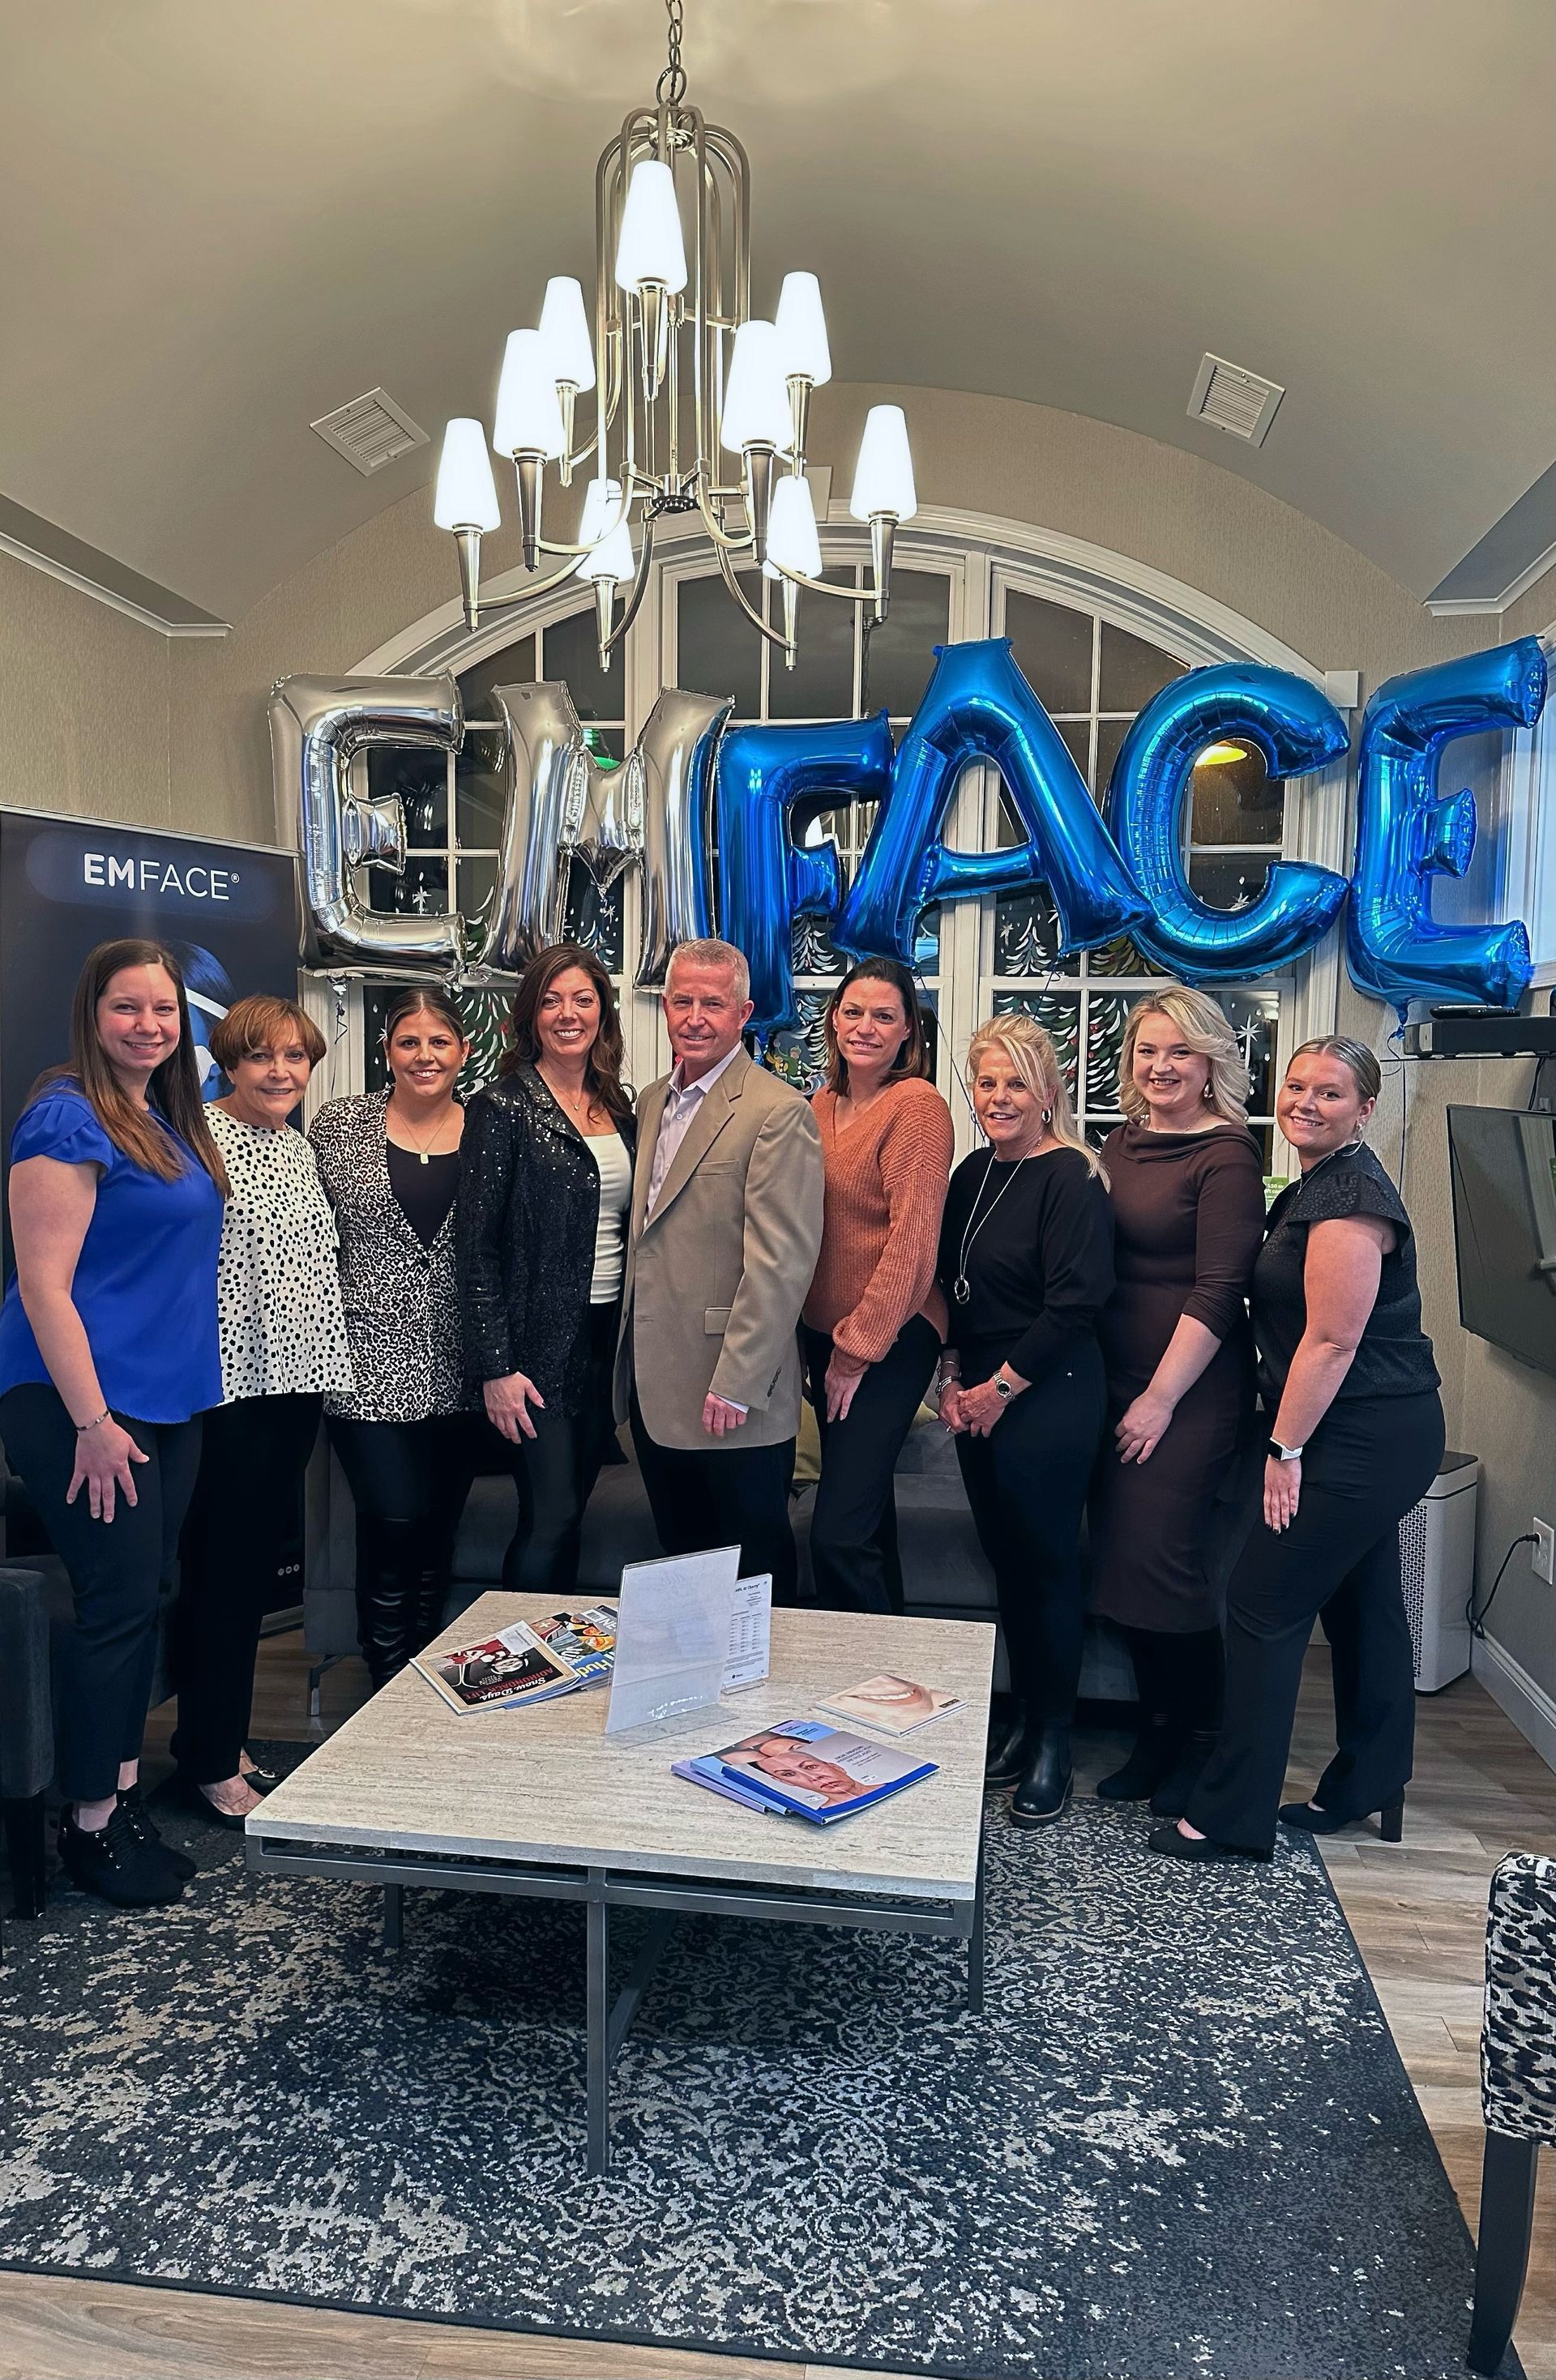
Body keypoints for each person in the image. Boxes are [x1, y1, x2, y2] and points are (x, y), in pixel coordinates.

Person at [1150, 1036, 1445, 1864]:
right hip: (1372, 1423)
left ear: (1365, 1109)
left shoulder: (1350, 1197)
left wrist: (1285, 1449)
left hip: (1358, 1430)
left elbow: (1331, 1341)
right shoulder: (1316, 1184)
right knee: (1364, 1604)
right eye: (1296, 1087)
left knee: (1262, 1606)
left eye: (1329, 1093)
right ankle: (1369, 1782)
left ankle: (1230, 1815)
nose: (1305, 1104)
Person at [0, 939, 229, 1908]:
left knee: (149, 1596)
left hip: (166, 1402)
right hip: (83, 1406)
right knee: (116, 1607)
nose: (149, 1025)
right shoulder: (66, 1116)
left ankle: (120, 1798)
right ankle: (88, 1823)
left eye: (165, 1011)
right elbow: (45, 1290)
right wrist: (92, 1422)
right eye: (127, 1008)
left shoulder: (167, 1120)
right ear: (92, 1017)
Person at [168, 996, 353, 1827]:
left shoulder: (298, 1146)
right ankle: (210, 1760)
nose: (281, 1072)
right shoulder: (196, 1142)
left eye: (294, 1057)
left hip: (296, 1384)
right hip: (230, 1388)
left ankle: (218, 1735)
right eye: (261, 1057)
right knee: (225, 1575)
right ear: (229, 1063)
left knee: (239, 1571)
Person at [1088, 987, 1267, 1817]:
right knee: (1122, 1562)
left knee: (1166, 1563)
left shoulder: (1226, 1156)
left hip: (1187, 1396)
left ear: (1211, 1066)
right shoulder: (1118, 1146)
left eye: (1180, 1054)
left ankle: (1194, 1742)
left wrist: (1160, 1400)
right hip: (1114, 1385)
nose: (1161, 1067)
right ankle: (1157, 1729)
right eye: (1147, 1051)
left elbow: (1223, 1289)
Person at [937, 1014, 1114, 1827]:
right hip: (977, 1392)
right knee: (1006, 1566)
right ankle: (1017, 1720)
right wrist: (949, 1377)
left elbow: (1077, 1302)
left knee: (1047, 1573)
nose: (999, 1097)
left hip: (1048, 1394)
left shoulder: (1073, 1175)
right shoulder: (973, 1173)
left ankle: (1054, 1739)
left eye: (1016, 1082)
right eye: (987, 1082)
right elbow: (951, 1287)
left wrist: (994, 1391)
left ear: (1048, 1092)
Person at [614, 938, 824, 1604]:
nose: (696, 1016)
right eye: (683, 1001)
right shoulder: (651, 1101)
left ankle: (763, 1704)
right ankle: (700, 1704)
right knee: (683, 1568)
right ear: (666, 1008)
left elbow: (781, 1262)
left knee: (752, 1571)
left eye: (713, 1002)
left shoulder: (776, 1110)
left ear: (744, 1013)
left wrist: (737, 1382)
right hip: (657, 1387)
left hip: (731, 1390)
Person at [310, 985, 477, 1689]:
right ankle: (385, 1674)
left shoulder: (491, 1128)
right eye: (409, 1041)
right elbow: (306, 1240)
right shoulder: (339, 1125)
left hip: (465, 1366)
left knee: (438, 1525)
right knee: (394, 1516)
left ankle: (427, 1675)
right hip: (365, 1361)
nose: (424, 1055)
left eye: (439, 1041)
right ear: (387, 1052)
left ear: (463, 1052)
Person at [457, 942, 636, 1593]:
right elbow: (475, 1249)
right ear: (530, 1014)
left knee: (572, 1513)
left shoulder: (618, 1106)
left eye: (583, 1000)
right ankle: (519, 1665)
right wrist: (496, 1368)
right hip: (533, 1352)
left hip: (602, 1346)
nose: (568, 1013)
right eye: (552, 1000)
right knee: (549, 1515)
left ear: (602, 1013)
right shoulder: (501, 1107)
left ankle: (554, 1661)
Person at [802, 959, 953, 1613]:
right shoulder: (820, 1105)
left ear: (907, 1033)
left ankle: (862, 1687)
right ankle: (893, 1676)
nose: (866, 1027)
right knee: (866, 1523)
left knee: (837, 1535)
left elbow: (913, 1246)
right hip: (822, 1337)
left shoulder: (916, 1106)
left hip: (888, 1339)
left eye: (884, 1016)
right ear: (834, 1019)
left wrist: (855, 1348)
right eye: (854, 1011)